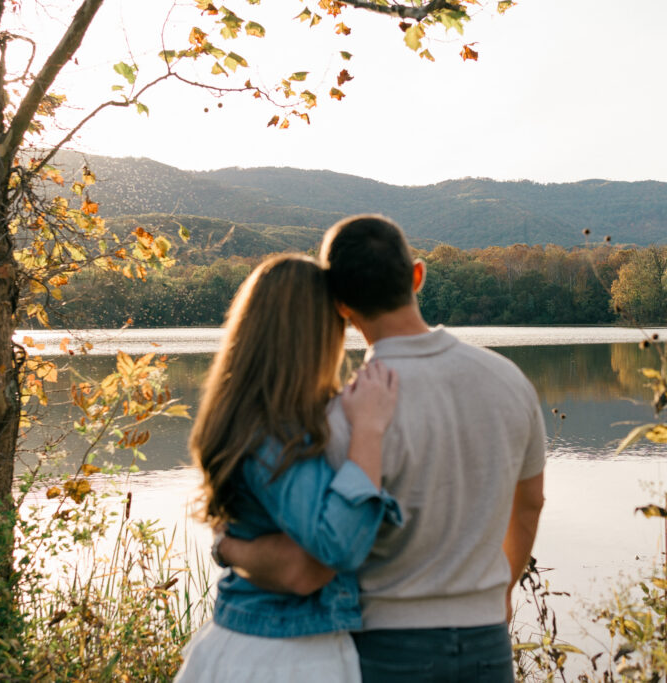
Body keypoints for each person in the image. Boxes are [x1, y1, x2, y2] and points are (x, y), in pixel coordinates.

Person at [217, 215, 547, 682]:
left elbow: (315, 554)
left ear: (341, 306)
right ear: (417, 275)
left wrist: (229, 546)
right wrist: (504, 587)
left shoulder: (339, 417)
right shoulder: (510, 380)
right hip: (486, 641)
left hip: (383, 648)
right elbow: (530, 504)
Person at [174, 254, 402, 683]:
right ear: (313, 334)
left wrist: (228, 548)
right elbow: (331, 552)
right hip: (282, 654)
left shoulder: (251, 420)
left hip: (257, 641)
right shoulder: (274, 433)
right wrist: (369, 431)